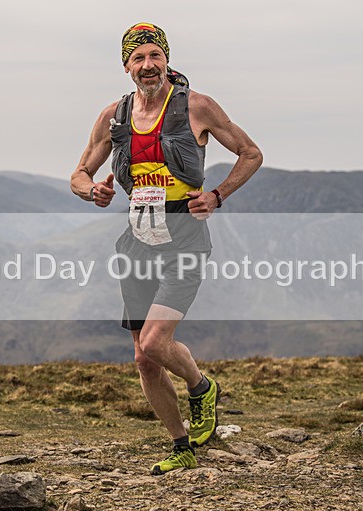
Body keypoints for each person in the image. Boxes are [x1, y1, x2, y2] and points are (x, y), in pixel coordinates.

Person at [70, 22, 262, 475]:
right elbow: (79, 172)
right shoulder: (112, 116)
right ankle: (181, 446)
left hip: (184, 239)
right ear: (126, 67)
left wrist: (217, 195)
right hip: (137, 241)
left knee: (157, 341)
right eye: (138, 58)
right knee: (142, 357)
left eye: (155, 56)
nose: (148, 65)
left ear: (167, 60)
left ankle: (201, 388)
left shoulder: (197, 107)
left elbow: (250, 153)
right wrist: (91, 190)